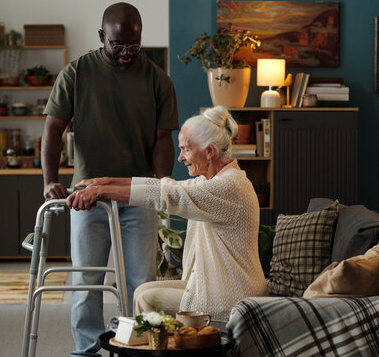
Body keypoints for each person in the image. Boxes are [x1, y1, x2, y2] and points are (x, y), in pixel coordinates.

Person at [41, 2, 179, 356]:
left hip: (138, 194)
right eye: (117, 46)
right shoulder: (77, 73)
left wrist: (163, 185)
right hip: (87, 195)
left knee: (141, 283)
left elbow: (164, 138)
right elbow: (53, 128)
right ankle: (87, 349)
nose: (125, 54)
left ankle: (136, 346)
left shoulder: (157, 79)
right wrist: (50, 180)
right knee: (86, 280)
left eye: (134, 46)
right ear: (102, 37)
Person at [68, 106, 267, 322]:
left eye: (186, 149)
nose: (181, 158)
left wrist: (101, 191)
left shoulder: (229, 186)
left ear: (209, 151)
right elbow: (165, 185)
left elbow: (169, 195)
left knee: (148, 299)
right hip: (213, 283)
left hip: (230, 293)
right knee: (142, 291)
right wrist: (103, 182)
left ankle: (157, 348)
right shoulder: (211, 181)